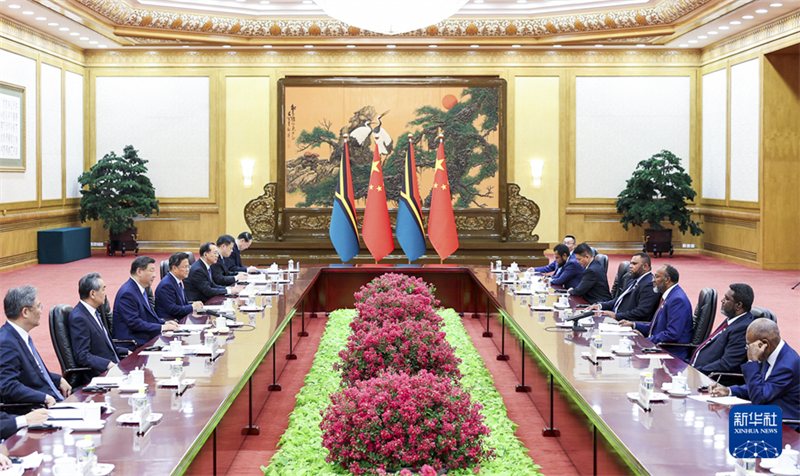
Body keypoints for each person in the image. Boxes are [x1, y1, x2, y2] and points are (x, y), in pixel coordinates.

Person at [710, 318, 799, 431]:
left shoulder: (787, 366)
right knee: (721, 421)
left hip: (785, 425)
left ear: (764, 344)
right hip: (767, 416)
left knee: (726, 428)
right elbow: (760, 387)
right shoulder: (772, 353)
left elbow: (759, 398)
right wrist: (728, 390)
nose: (748, 350)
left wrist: (752, 361)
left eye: (749, 346)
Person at [0, 286, 71, 407]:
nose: (40, 311)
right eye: (38, 306)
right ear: (25, 312)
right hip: (37, 409)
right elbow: (8, 386)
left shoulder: (19, 335)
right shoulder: (6, 342)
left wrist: (57, 379)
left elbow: (32, 373)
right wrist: (43, 398)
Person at [620, 264, 693, 361]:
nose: (653, 280)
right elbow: (657, 326)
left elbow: (672, 334)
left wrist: (645, 341)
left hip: (671, 353)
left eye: (657, 277)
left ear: (667, 280)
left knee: (628, 357)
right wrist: (634, 325)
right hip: (659, 347)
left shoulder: (677, 300)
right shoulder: (670, 296)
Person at [690, 283, 755, 385]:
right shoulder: (733, 319)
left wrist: (698, 371)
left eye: (727, 299)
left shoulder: (743, 328)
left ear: (738, 305)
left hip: (713, 381)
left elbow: (727, 364)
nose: (722, 300)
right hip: (698, 372)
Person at [69, 273, 129, 382]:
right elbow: (82, 355)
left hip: (116, 367)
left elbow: (103, 346)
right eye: (103, 289)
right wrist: (108, 364)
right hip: (101, 374)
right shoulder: (79, 318)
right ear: (92, 294)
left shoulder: (94, 312)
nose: (105, 293)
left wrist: (127, 352)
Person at [113, 257, 179, 350]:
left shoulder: (141, 289)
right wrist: (162, 327)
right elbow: (134, 323)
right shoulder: (127, 293)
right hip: (133, 343)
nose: (154, 275)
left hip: (144, 337)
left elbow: (148, 316)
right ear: (139, 272)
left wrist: (164, 323)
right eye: (151, 271)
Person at [589, 252, 658, 322]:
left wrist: (616, 316)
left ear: (645, 266)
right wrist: (601, 306)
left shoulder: (649, 284)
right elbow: (620, 299)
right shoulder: (633, 279)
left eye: (634, 264)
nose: (630, 266)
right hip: (616, 319)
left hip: (627, 323)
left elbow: (642, 312)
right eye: (631, 263)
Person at [155, 252, 203, 321]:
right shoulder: (166, 285)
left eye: (188, 267)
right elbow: (172, 309)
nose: (188, 270)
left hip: (180, 318)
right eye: (185, 267)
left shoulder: (177, 281)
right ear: (174, 268)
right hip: (170, 321)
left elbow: (183, 304)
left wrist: (195, 305)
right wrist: (192, 307)